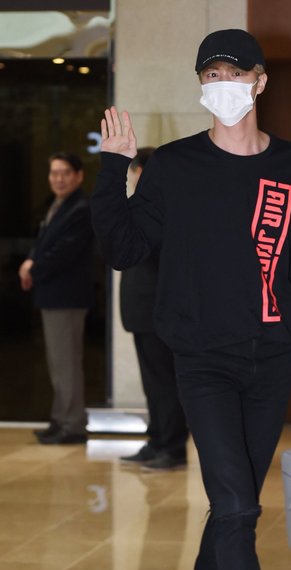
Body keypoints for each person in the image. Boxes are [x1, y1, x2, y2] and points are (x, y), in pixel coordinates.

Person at [91, 28, 291, 570]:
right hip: (202, 360)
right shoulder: (175, 166)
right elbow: (123, 249)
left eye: (234, 74)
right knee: (234, 504)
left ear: (260, 82)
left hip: (271, 363)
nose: (223, 87)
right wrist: (114, 169)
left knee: (237, 506)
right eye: (211, 76)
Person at [119, 148, 189, 469]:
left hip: (157, 309)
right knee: (153, 383)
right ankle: (157, 440)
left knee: (164, 382)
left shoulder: (164, 208)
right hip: (142, 310)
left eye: (134, 173)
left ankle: (172, 447)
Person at [18, 152, 95, 445]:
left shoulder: (81, 207)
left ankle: (72, 425)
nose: (58, 179)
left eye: (65, 173)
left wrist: (33, 268)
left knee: (67, 363)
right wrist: (31, 261)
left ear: (79, 176)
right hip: (54, 295)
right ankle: (60, 418)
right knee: (58, 362)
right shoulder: (57, 205)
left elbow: (63, 252)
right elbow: (43, 244)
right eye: (54, 173)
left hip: (67, 297)